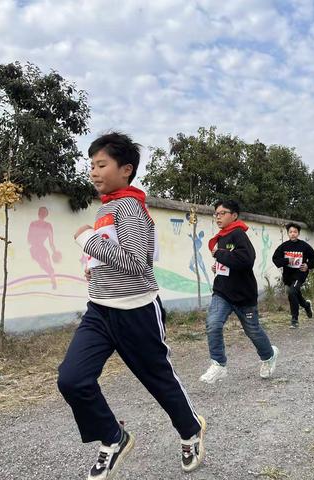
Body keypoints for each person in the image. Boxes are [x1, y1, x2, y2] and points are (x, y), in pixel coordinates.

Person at [57, 132, 206, 479]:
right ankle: (113, 437)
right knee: (73, 379)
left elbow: (138, 262)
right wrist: (93, 265)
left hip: (136, 310)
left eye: (101, 164)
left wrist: (86, 240)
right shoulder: (107, 207)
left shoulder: (128, 206)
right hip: (99, 310)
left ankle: (190, 430)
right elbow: (110, 257)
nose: (93, 171)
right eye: (91, 164)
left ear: (126, 170)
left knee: (157, 379)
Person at [199, 199, 279, 384]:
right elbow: (229, 260)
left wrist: (219, 255)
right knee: (213, 323)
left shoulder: (238, 234)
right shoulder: (221, 237)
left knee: (253, 331)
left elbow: (246, 260)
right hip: (222, 292)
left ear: (234, 215)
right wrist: (218, 266)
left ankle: (269, 356)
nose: (218, 217)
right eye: (216, 214)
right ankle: (218, 364)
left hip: (243, 295)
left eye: (222, 213)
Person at [272, 222, 314, 328]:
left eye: (295, 232)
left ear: (298, 233)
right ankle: (306, 305)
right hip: (288, 275)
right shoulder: (284, 246)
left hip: (300, 274)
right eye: (291, 232)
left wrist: (307, 265)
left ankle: (294, 319)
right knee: (294, 293)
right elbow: (275, 259)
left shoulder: (304, 246)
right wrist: (287, 260)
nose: (293, 234)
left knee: (292, 291)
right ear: (288, 233)